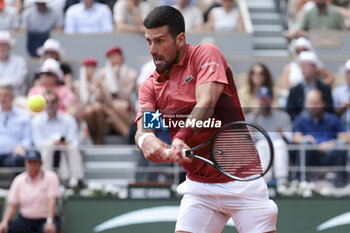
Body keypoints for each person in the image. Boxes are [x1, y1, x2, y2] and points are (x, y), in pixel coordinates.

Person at [135, 6, 277, 233]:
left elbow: (207, 103)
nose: (153, 49)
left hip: (241, 179)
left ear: (180, 39)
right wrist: (147, 142)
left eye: (160, 41)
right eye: (148, 41)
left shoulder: (206, 54)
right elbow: (146, 129)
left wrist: (181, 138)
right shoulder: (151, 86)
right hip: (200, 186)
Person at [293, 89, 348, 187]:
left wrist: (332, 143)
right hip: (312, 153)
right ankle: (301, 182)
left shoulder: (333, 119)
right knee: (305, 144)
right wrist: (307, 140)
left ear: (323, 103)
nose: (313, 106)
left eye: (316, 103)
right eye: (310, 103)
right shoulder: (301, 119)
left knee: (340, 144)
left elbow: (345, 138)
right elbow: (296, 138)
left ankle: (341, 183)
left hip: (330, 153)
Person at [32, 90, 84, 187]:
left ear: (58, 103)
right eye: (47, 102)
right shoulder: (36, 121)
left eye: (53, 102)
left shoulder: (69, 119)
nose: (50, 105)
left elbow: (75, 141)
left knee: (72, 147)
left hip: (65, 150)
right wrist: (53, 142)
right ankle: (45, 180)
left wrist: (65, 143)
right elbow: (38, 143)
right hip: (47, 152)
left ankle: (77, 180)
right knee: (47, 147)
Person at [0, 150, 61, 233]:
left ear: (41, 164)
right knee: (7, 229)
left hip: (45, 219)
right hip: (25, 219)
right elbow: (12, 205)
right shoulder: (19, 180)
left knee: (49, 229)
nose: (32, 166)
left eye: (35, 163)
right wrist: (4, 222)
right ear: (26, 163)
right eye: (30, 163)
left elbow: (52, 201)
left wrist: (49, 221)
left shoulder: (51, 177)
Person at [245, 86, 293, 187]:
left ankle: (282, 179)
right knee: (262, 144)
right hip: (259, 150)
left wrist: (282, 135)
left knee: (279, 144)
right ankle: (264, 179)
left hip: (278, 148)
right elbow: (245, 142)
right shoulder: (250, 118)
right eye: (261, 99)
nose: (263, 102)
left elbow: (290, 139)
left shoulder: (283, 116)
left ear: (271, 100)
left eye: (266, 99)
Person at [96, 46, 137, 139]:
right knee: (108, 110)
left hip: (125, 110)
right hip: (107, 108)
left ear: (122, 57)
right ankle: (130, 136)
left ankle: (130, 135)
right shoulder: (103, 73)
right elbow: (98, 98)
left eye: (115, 56)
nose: (113, 60)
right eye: (110, 57)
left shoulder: (131, 74)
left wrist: (117, 78)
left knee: (115, 106)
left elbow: (125, 95)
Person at [286, 51, 333, 120]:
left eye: (306, 66)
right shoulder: (294, 90)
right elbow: (290, 112)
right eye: (302, 66)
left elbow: (329, 111)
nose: (303, 69)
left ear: (315, 67)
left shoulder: (324, 89)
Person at [74, 57, 105, 144]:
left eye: (92, 68)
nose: (90, 71)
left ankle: (100, 139)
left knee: (97, 107)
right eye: (88, 68)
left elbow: (106, 102)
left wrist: (101, 89)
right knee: (89, 110)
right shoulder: (78, 85)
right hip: (85, 114)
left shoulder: (99, 83)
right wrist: (90, 93)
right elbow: (81, 106)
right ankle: (93, 137)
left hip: (99, 113)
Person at [0, 82, 31, 167]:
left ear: (12, 97)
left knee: (20, 159)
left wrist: (22, 146)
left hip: (13, 154)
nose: (2, 99)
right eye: (0, 95)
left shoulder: (23, 115)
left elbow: (28, 138)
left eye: (5, 95)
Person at [0, 31, 27, 97]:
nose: (2, 48)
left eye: (5, 45)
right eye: (0, 45)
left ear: (10, 47)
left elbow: (19, 81)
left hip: (16, 97)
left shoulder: (20, 61)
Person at [332, 59, 350, 130]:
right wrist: (343, 107)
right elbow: (331, 115)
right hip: (341, 128)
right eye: (348, 73)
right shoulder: (337, 92)